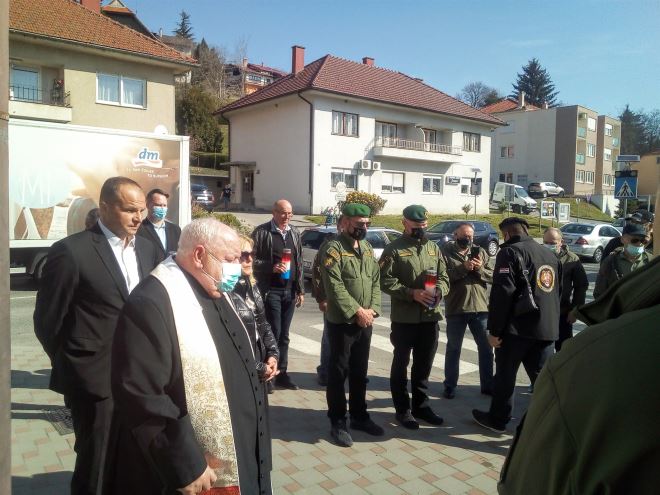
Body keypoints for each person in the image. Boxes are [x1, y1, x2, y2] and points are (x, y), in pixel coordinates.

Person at [109, 218, 272, 495]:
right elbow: (141, 393)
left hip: (247, 445)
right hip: (201, 464)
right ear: (199, 255)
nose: (237, 267)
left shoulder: (216, 286)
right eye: (230, 259)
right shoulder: (151, 302)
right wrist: (186, 464)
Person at [33, 177, 159, 495]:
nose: (138, 218)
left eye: (142, 210)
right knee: (96, 463)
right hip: (95, 381)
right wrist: (76, 362)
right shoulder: (71, 252)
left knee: (133, 458)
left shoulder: (147, 248)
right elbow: (47, 321)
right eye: (129, 210)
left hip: (140, 376)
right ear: (104, 207)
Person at [498, 257, 660, 494]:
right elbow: (601, 289)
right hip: (581, 315)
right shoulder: (612, 261)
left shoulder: (592, 356)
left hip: (565, 314)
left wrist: (577, 307)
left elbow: (530, 479)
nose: (641, 242)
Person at [472, 217, 561, 434]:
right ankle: (553, 424)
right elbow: (557, 292)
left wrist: (494, 331)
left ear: (507, 234)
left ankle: (498, 420)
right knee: (544, 381)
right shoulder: (549, 254)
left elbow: (502, 294)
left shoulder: (509, 252)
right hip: (546, 329)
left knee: (505, 376)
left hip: (516, 330)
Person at [379, 205, 449, 429]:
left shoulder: (433, 247)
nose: (421, 228)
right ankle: (403, 410)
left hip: (430, 317)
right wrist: (411, 293)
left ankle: (421, 406)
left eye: (424, 225)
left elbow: (444, 276)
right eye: (417, 225)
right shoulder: (394, 249)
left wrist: (440, 291)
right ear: (404, 223)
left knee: (424, 365)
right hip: (405, 319)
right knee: (401, 364)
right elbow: (384, 280)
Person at [319, 203, 383, 447]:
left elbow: (375, 280)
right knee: (338, 373)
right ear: (345, 222)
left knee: (360, 372)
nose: (363, 228)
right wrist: (357, 311)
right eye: (359, 224)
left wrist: (372, 309)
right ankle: (337, 421)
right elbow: (334, 286)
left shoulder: (367, 248)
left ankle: (359, 416)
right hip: (343, 322)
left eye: (366, 224)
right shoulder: (333, 249)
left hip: (365, 321)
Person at [252, 199, 304, 391]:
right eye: (283, 213)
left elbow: (299, 262)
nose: (286, 217)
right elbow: (250, 260)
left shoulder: (295, 232)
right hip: (270, 290)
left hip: (289, 291)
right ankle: (269, 375)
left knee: (285, 336)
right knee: (273, 332)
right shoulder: (262, 232)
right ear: (274, 212)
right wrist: (271, 267)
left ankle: (282, 373)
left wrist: (300, 289)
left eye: (289, 213)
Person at [441, 222, 494, 399]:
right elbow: (442, 277)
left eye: (470, 236)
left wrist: (479, 269)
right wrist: (462, 268)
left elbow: (494, 276)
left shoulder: (480, 252)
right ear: (455, 235)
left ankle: (488, 385)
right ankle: (450, 386)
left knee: (486, 349)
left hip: (480, 308)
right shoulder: (445, 252)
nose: (468, 239)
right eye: (464, 236)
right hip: (456, 308)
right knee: (454, 348)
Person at [232, 235, 280, 391]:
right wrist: (259, 367)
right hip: (242, 367)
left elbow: (263, 323)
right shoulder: (226, 291)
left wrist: (273, 354)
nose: (250, 259)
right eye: (244, 255)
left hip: (259, 358)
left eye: (252, 254)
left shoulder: (251, 285)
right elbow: (232, 342)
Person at [542, 227, 588, 351]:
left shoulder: (572, 259)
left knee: (564, 350)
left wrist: (575, 310)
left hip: (562, 314)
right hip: (541, 314)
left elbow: (581, 285)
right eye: (546, 242)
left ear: (561, 242)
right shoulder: (537, 255)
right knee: (542, 353)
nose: (548, 245)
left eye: (552, 243)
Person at [311, 218, 343, 386]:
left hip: (354, 302)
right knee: (330, 337)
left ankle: (346, 371)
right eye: (344, 224)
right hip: (332, 300)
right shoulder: (329, 245)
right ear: (339, 226)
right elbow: (317, 272)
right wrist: (321, 298)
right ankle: (325, 372)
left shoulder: (358, 245)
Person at [593, 222, 653, 299]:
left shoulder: (652, 261)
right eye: (634, 240)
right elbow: (599, 293)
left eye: (643, 241)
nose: (639, 244)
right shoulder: (610, 262)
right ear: (622, 239)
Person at [137, 188, 181, 262]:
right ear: (147, 205)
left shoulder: (175, 230)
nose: (162, 208)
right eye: (158, 205)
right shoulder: (139, 229)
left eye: (164, 205)